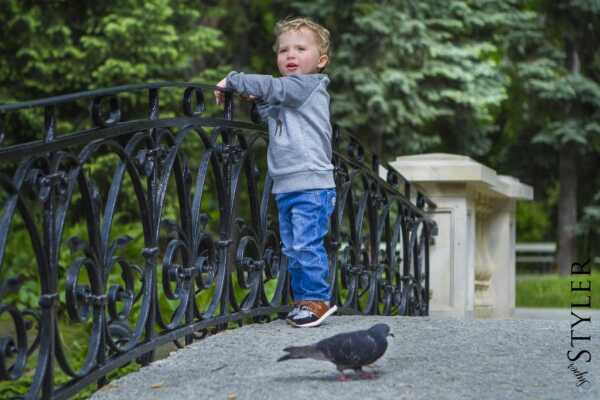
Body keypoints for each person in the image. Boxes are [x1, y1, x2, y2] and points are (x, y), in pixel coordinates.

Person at [214, 17, 337, 327]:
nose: (290, 55)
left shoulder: (307, 86)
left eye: (300, 48)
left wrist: (234, 80)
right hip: (287, 183)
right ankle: (303, 301)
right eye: (284, 50)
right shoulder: (290, 94)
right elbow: (270, 112)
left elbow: (272, 87)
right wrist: (256, 103)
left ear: (321, 61)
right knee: (293, 248)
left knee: (306, 245)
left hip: (311, 183)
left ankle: (316, 300)